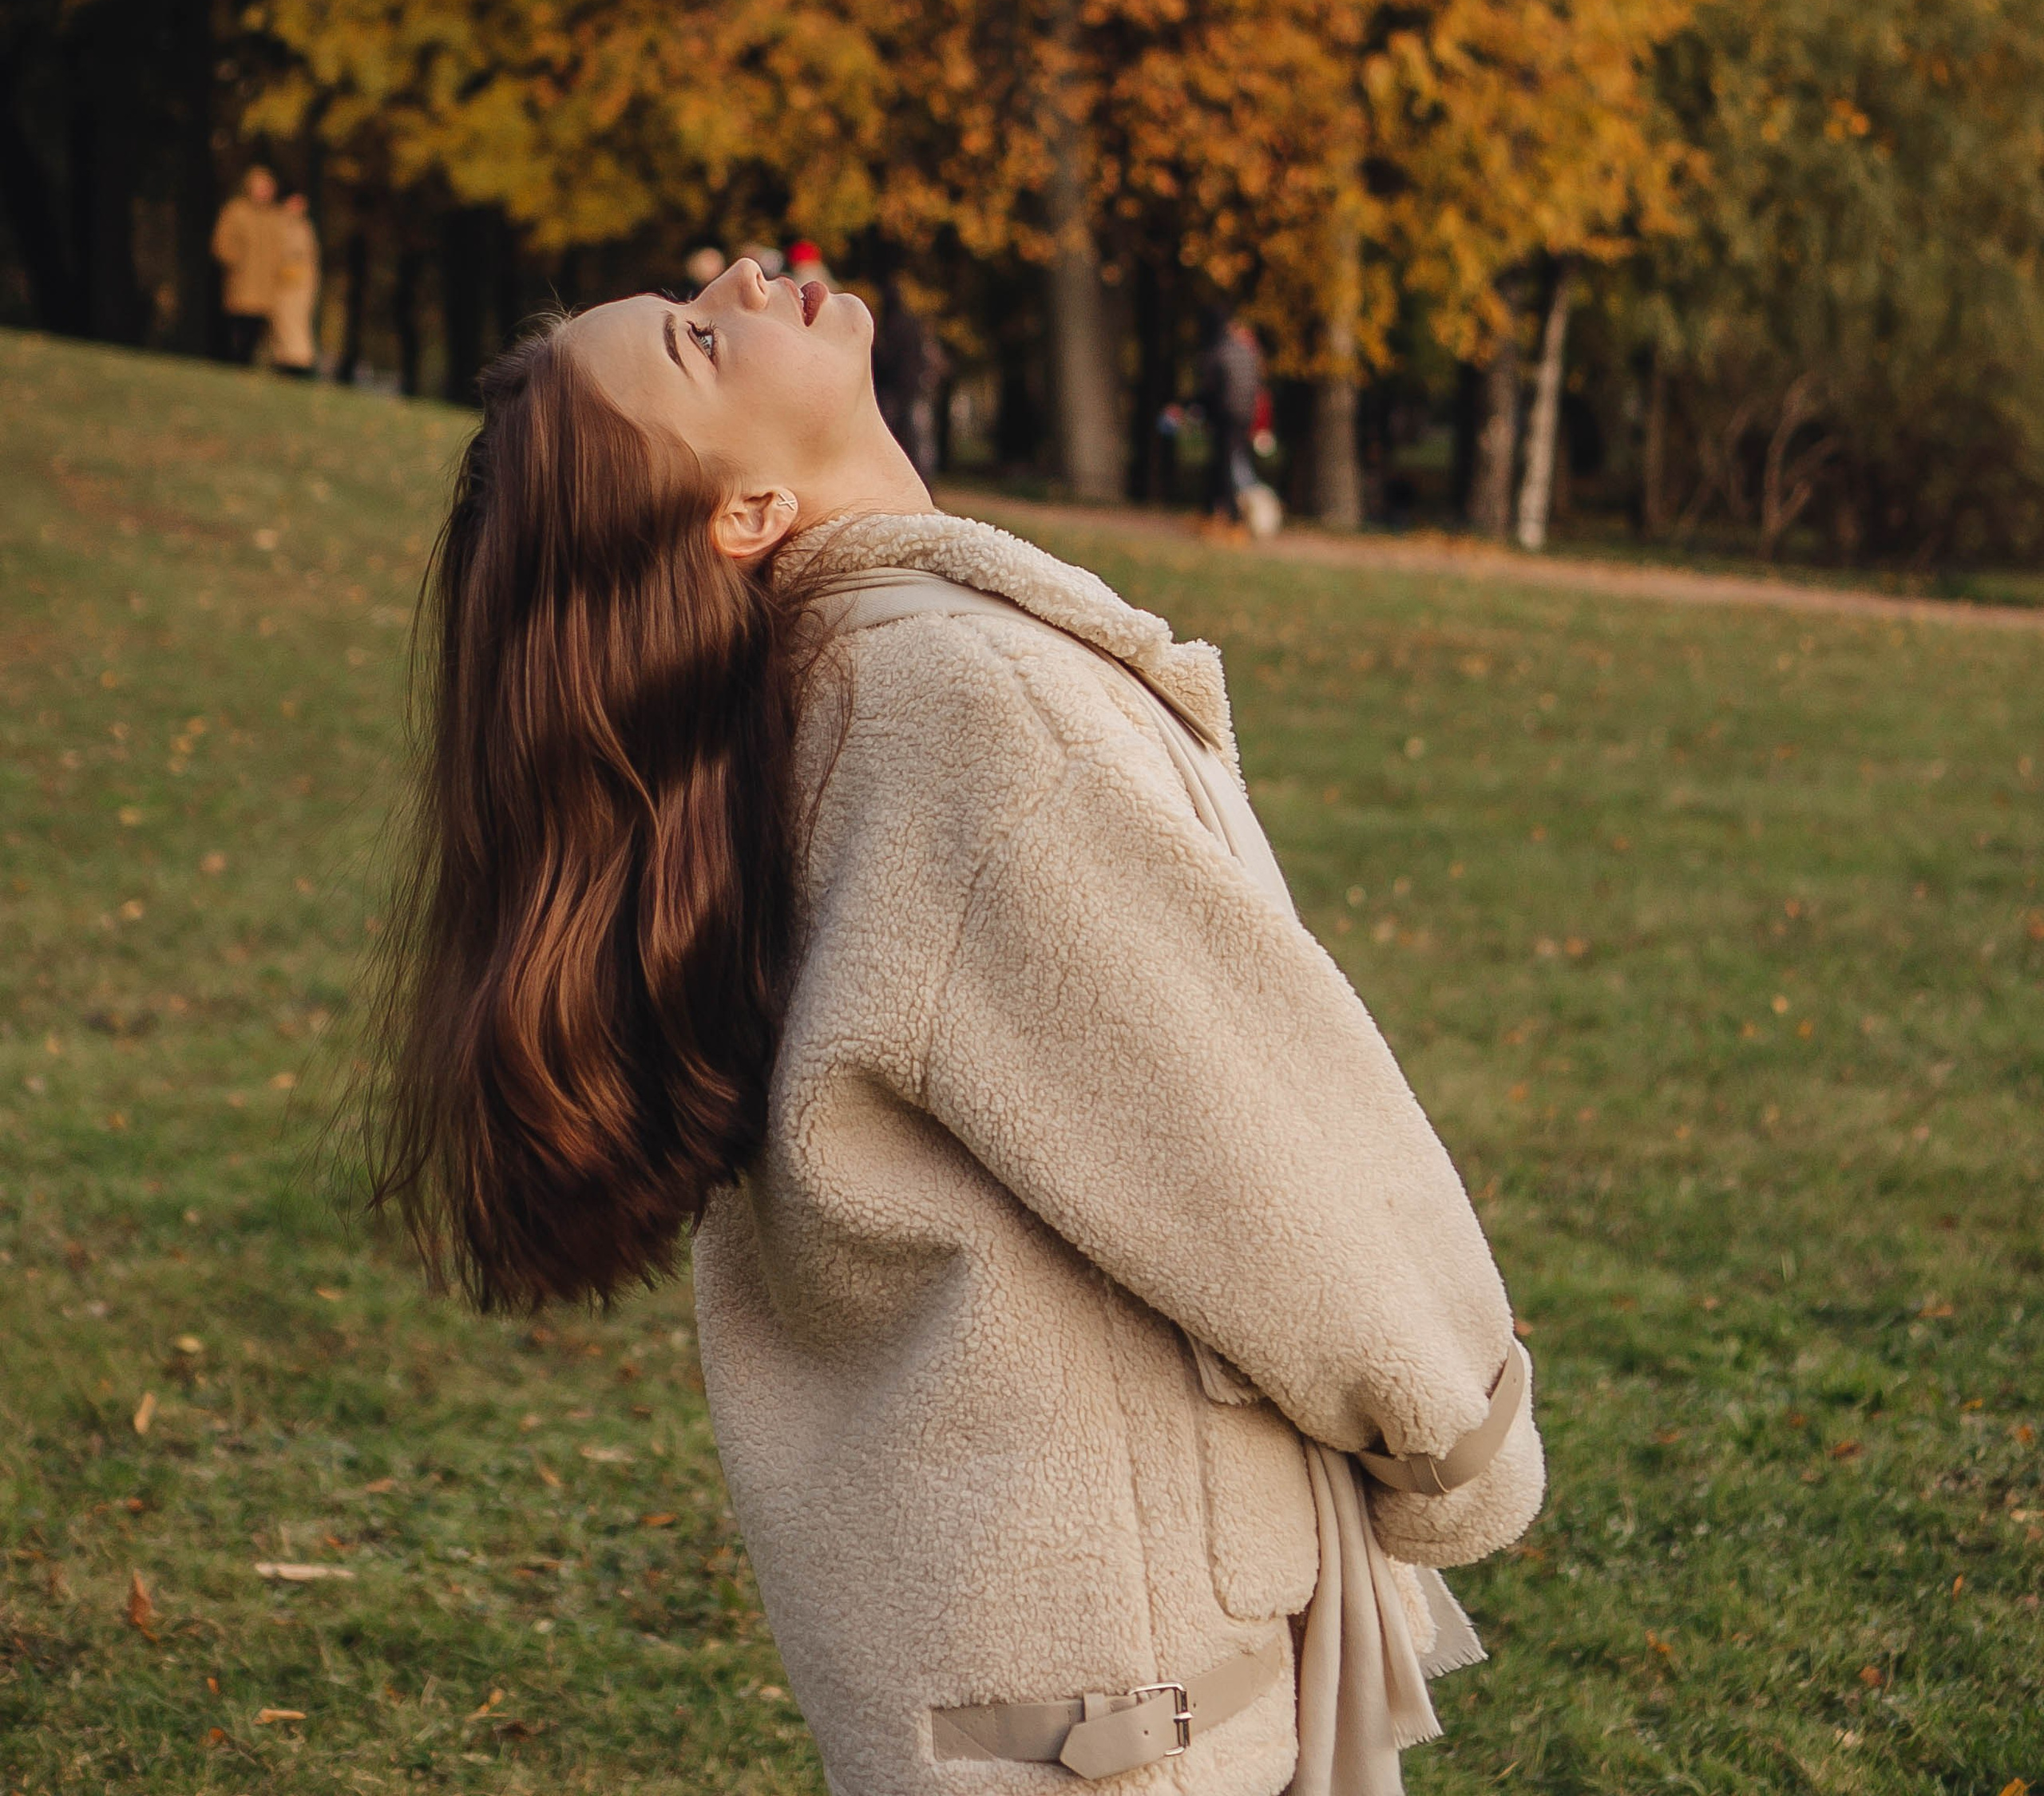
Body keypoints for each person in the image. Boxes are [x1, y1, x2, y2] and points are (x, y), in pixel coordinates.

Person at [362, 256, 1543, 1796]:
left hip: (1020, 1676)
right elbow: (1247, 1129)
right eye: (700, 341)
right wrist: (1462, 1438)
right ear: (743, 518)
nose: (736, 277)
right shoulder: (952, 702)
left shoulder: (827, 702)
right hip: (1139, 1713)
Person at [873, 274, 947, 489]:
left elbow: (885, 359)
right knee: (916, 439)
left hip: (895, 390)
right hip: (913, 387)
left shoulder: (888, 326)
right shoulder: (912, 324)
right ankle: (921, 483)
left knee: (898, 438)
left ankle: (903, 483)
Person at [211, 168, 283, 364]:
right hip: (241, 283)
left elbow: (281, 252)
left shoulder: (275, 217)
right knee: (236, 329)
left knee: (254, 334)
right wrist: (235, 263)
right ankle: (230, 363)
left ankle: (242, 366)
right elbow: (222, 244)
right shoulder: (236, 211)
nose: (264, 192)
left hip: (265, 289)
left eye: (267, 188)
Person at [1201, 308, 1264, 526]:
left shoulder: (1219, 351)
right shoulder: (1248, 353)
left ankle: (1230, 512)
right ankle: (1216, 507)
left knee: (1223, 462)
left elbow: (1209, 388)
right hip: (1245, 414)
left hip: (1225, 414)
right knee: (1235, 459)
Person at [267, 194, 322, 378]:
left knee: (296, 331)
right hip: (282, 286)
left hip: (299, 286)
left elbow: (308, 259)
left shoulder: (304, 228)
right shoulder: (277, 222)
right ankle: (285, 364)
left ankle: (295, 367)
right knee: (283, 329)